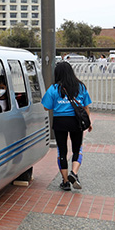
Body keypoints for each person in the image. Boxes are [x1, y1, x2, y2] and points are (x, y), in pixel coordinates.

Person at [41, 62, 92, 191]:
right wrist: (89, 122)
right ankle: (74, 173)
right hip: (76, 121)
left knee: (62, 151)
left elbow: (46, 107)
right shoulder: (80, 87)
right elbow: (86, 106)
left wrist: (59, 103)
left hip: (60, 121)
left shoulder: (53, 88)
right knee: (77, 149)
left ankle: (65, 182)